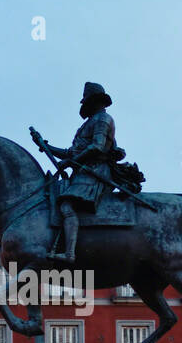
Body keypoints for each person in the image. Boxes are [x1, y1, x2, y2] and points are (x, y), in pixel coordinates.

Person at [36, 82, 120, 264]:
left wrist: (70, 162)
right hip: (83, 171)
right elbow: (71, 152)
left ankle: (69, 253)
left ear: (94, 102)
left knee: (67, 206)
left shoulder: (103, 120)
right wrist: (46, 146)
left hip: (96, 171)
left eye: (87, 102)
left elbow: (97, 147)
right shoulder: (88, 124)